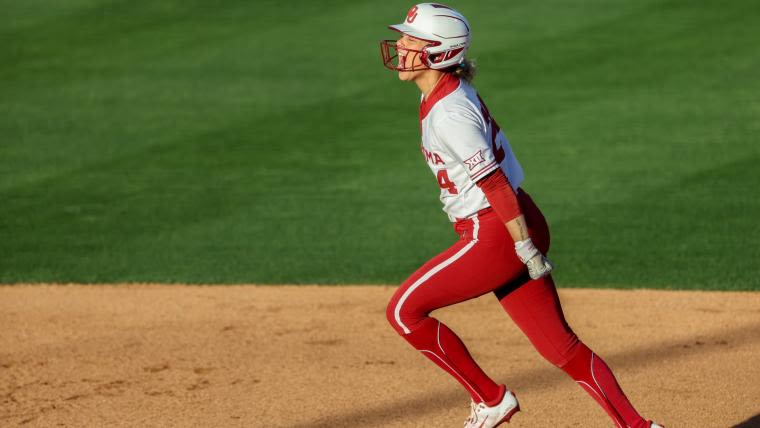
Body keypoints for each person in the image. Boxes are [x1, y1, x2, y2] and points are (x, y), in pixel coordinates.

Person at [380, 4, 664, 428]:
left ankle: (490, 399)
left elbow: (493, 183)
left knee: (404, 312)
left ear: (439, 53)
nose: (400, 44)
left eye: (411, 39)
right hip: (515, 221)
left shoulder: (450, 113)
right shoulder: (444, 91)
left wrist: (523, 245)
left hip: (497, 231)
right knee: (562, 349)